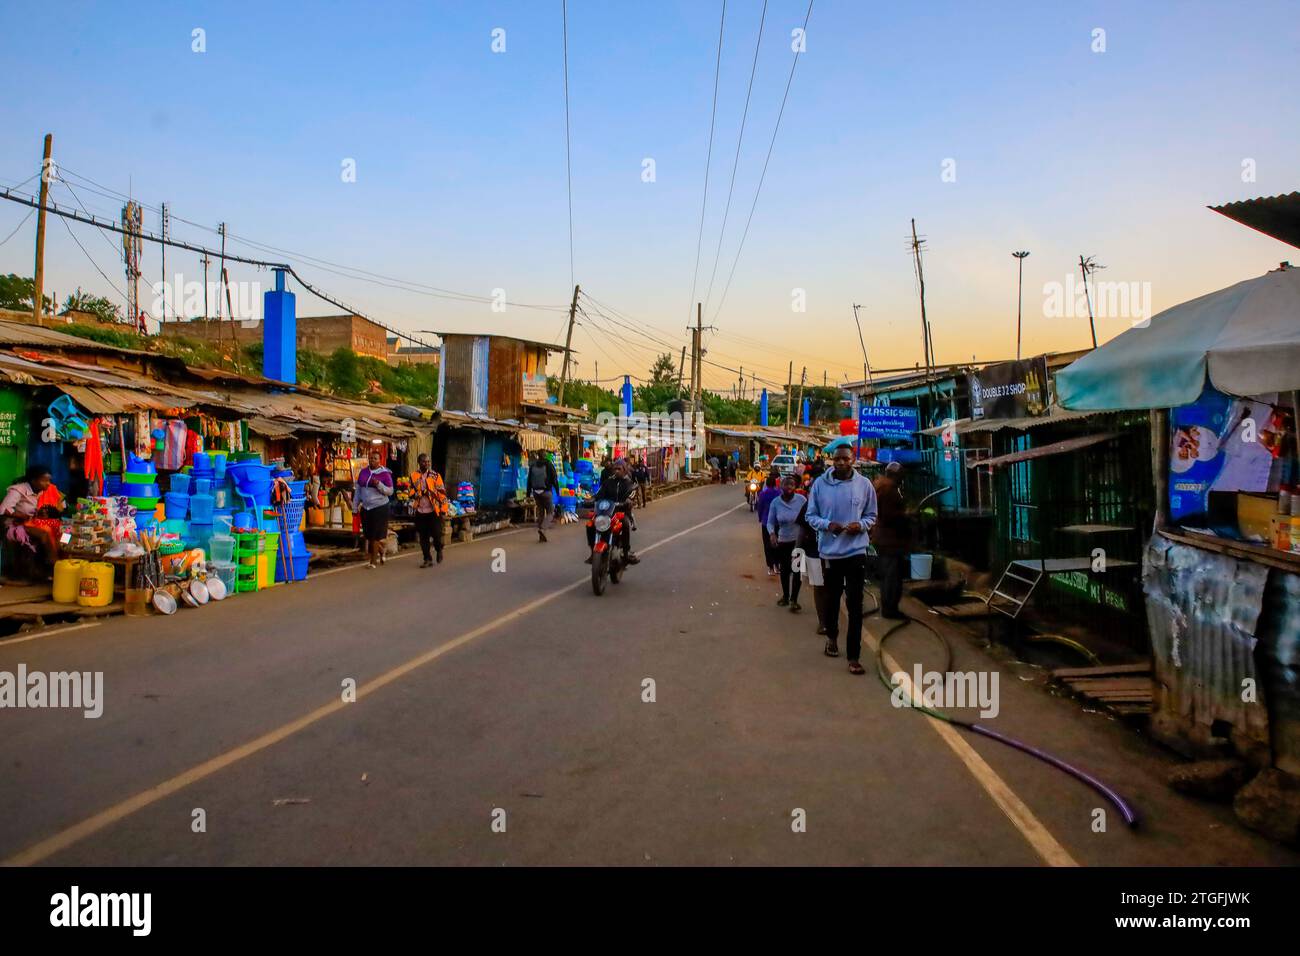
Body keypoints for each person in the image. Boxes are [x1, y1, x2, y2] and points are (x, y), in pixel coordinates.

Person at [805, 446, 878, 675]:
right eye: (836, 459)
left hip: (856, 551)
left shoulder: (864, 485)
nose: (841, 463)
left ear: (853, 459)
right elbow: (810, 516)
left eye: (845, 458)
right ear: (831, 460)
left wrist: (862, 525)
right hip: (831, 553)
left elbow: (871, 515)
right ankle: (832, 638)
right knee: (832, 600)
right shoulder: (819, 485)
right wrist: (828, 525)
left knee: (855, 605)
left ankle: (854, 657)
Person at [1, 465, 64, 582]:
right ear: (33, 480)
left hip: (32, 522)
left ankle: (63, 555)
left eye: (49, 480)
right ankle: (54, 564)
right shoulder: (18, 490)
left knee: (64, 531)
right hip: (16, 526)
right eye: (44, 480)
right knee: (46, 532)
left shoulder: (41, 492)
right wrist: (23, 516)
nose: (48, 483)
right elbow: (3, 509)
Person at [871, 461, 911, 619]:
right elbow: (889, 516)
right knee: (892, 576)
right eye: (901, 476)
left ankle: (889, 607)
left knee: (889, 575)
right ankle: (890, 609)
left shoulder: (881, 485)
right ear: (895, 475)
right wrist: (906, 515)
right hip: (889, 540)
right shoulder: (888, 489)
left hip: (884, 538)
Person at [585, 458, 639, 564]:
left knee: (625, 523)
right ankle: (592, 551)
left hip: (621, 512)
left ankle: (626, 552)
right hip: (606, 512)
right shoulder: (608, 482)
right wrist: (591, 499)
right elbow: (599, 494)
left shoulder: (629, 483)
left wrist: (628, 501)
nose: (616, 471)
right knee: (590, 524)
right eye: (615, 469)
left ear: (624, 470)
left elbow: (632, 493)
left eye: (619, 469)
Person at [766, 475, 807, 611]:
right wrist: (772, 534)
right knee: (784, 570)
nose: (789, 487)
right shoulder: (775, 503)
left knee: (796, 570)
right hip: (783, 540)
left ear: (795, 487)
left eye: (792, 484)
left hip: (798, 541)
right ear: (781, 486)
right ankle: (785, 596)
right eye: (786, 484)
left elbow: (809, 517)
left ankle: (794, 600)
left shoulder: (802, 500)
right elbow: (770, 521)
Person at [352, 448, 395, 569]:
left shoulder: (385, 474)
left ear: (379, 461)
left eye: (375, 459)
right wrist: (355, 508)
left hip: (380, 507)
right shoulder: (363, 473)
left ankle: (373, 561)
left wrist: (379, 485)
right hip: (366, 508)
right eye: (370, 458)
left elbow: (390, 491)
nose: (372, 460)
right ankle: (381, 551)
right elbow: (358, 492)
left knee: (375, 535)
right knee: (369, 535)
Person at [409, 453, 449, 567]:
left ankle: (439, 549)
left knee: (437, 534)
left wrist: (443, 508)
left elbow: (442, 493)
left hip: (433, 510)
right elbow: (410, 491)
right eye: (423, 461)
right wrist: (417, 493)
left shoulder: (435, 475)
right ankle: (427, 558)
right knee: (423, 537)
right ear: (419, 462)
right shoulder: (413, 475)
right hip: (420, 511)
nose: (426, 463)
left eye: (428, 462)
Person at [528, 450, 559, 543]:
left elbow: (529, 480)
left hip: (536, 492)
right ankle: (543, 529)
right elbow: (554, 478)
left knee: (541, 512)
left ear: (538, 455)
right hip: (546, 492)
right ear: (545, 455)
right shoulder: (549, 464)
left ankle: (542, 536)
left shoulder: (533, 465)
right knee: (550, 512)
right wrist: (557, 491)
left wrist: (528, 493)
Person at [755, 474, 781, 576]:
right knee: (777, 544)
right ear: (775, 484)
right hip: (777, 522)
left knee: (767, 544)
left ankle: (770, 567)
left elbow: (760, 507)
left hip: (766, 522)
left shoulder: (763, 494)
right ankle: (777, 565)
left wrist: (760, 518)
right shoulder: (779, 493)